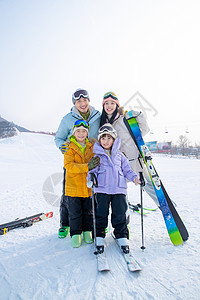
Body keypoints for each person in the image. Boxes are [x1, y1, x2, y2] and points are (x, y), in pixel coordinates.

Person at [55, 89, 101, 238]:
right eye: (78, 101)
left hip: (92, 160)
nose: (82, 103)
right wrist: (63, 146)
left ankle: (92, 224)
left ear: (88, 100)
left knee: (92, 194)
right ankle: (65, 224)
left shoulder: (97, 116)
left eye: (84, 100)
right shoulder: (67, 119)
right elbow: (59, 138)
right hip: (74, 160)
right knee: (69, 194)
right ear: (74, 103)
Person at [88, 124, 140, 253]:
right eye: (103, 138)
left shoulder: (120, 156)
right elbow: (92, 171)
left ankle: (121, 235)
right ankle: (99, 235)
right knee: (100, 214)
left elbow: (127, 170)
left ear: (114, 140)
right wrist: (90, 178)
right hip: (102, 190)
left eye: (109, 138)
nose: (106, 141)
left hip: (118, 190)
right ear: (100, 140)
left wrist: (134, 178)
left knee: (119, 214)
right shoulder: (97, 157)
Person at [100, 91, 159, 206]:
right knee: (120, 195)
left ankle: (168, 210)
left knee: (151, 188)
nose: (109, 106)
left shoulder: (124, 119)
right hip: (118, 165)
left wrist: (139, 116)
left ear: (117, 105)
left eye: (112, 103)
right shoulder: (103, 123)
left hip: (136, 162)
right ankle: (124, 220)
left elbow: (143, 131)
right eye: (106, 103)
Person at [64, 120, 100, 248]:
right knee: (75, 212)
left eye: (84, 131)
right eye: (78, 131)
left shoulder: (91, 146)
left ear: (87, 133)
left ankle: (87, 231)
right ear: (74, 132)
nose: (81, 133)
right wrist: (86, 166)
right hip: (73, 186)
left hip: (87, 186)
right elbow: (69, 166)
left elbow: (97, 161)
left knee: (88, 211)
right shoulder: (70, 147)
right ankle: (75, 233)